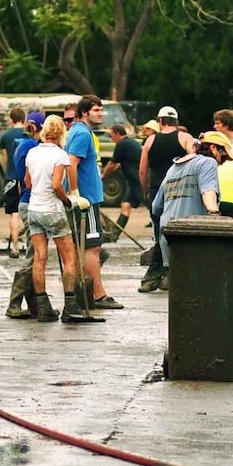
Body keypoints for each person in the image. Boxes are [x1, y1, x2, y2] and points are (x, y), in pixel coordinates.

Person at [25, 115, 91, 322]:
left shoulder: (32, 152)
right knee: (69, 258)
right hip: (52, 209)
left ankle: (43, 306)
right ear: (62, 132)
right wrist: (68, 200)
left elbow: (27, 183)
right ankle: (70, 305)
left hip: (34, 209)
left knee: (40, 257)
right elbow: (56, 185)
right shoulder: (60, 155)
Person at [65, 95, 122, 309]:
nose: (101, 114)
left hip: (88, 198)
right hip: (86, 200)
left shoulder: (80, 132)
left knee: (88, 247)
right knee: (92, 248)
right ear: (85, 112)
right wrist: (76, 194)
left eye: (101, 110)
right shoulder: (81, 133)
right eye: (96, 110)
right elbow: (71, 164)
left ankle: (87, 294)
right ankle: (97, 295)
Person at [152, 131, 231, 282]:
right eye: (223, 157)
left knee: (180, 290)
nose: (222, 162)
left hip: (168, 237)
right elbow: (208, 191)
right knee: (198, 288)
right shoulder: (207, 163)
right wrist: (214, 213)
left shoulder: (172, 170)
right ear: (214, 148)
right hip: (192, 238)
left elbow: (156, 207)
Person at [137, 105, 194, 292]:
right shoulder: (185, 138)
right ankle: (168, 273)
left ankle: (155, 275)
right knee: (177, 232)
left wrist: (146, 191)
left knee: (159, 233)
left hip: (157, 192)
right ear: (176, 122)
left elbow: (143, 170)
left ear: (160, 121)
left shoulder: (150, 140)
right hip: (179, 191)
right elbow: (193, 157)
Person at [6, 111, 46, 318]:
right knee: (34, 255)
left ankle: (32, 303)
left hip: (28, 201)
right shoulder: (31, 147)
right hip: (31, 201)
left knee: (35, 253)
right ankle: (14, 303)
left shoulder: (23, 144)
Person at [102, 123, 143, 240]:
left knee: (151, 207)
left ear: (117, 134)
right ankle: (115, 234)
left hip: (138, 181)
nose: (111, 139)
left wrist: (103, 176)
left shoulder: (122, 145)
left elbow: (112, 163)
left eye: (111, 136)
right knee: (125, 204)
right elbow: (120, 163)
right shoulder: (130, 143)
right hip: (134, 181)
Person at [0, 107, 26, 257]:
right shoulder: (27, 135)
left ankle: (14, 247)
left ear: (11, 119)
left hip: (11, 177)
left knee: (14, 213)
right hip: (25, 177)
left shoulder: (5, 136)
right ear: (23, 119)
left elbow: (5, 158)